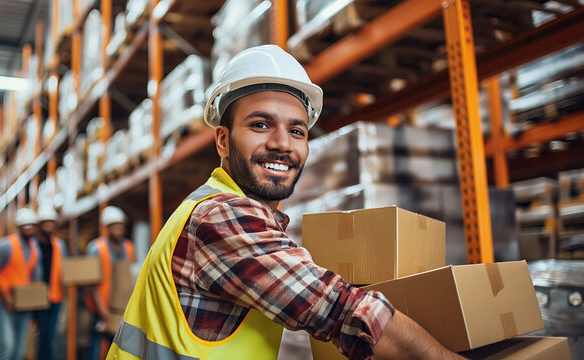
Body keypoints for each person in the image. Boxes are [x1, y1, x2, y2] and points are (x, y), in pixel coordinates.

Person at [108, 45, 464, 360]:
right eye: (261, 124)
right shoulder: (220, 215)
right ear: (222, 140)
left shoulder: (223, 210)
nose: (282, 144)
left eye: (297, 131)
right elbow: (343, 313)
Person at [0, 207, 41, 360]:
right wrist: (5, 297)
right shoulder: (5, 246)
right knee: (7, 348)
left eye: (32, 225)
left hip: (23, 305)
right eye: (25, 225)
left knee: (19, 352)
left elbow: (35, 277)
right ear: (18, 226)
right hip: (3, 304)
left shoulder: (35, 248)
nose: (29, 228)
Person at [85, 205, 135, 360]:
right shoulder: (96, 248)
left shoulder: (128, 247)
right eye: (115, 226)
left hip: (122, 308)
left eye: (121, 225)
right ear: (107, 227)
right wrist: (102, 311)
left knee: (120, 349)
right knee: (96, 348)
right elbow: (92, 284)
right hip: (101, 306)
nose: (119, 229)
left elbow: (132, 276)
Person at [33, 205, 67, 360]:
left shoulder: (60, 245)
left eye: (51, 223)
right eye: (46, 223)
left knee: (51, 338)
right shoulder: (32, 245)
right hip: (36, 298)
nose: (49, 227)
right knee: (40, 338)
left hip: (55, 297)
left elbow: (66, 269)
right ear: (40, 225)